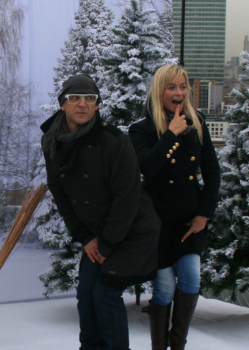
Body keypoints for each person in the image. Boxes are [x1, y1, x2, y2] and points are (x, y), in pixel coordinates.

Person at [40, 74, 160, 350]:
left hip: (132, 230)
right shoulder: (52, 141)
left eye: (89, 99)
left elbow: (127, 197)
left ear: (96, 106)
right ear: (62, 105)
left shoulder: (114, 140)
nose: (82, 104)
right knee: (86, 293)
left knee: (105, 294)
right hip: (97, 234)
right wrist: (85, 236)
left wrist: (106, 243)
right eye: (74, 98)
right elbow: (59, 189)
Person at [128, 65, 221, 350]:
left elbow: (213, 173)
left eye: (182, 87)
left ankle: (178, 345)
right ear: (160, 92)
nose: (178, 93)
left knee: (192, 276)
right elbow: (146, 168)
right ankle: (160, 346)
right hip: (156, 222)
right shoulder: (141, 130)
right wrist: (170, 134)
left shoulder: (198, 123)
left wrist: (203, 215)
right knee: (165, 285)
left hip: (190, 219)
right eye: (171, 87)